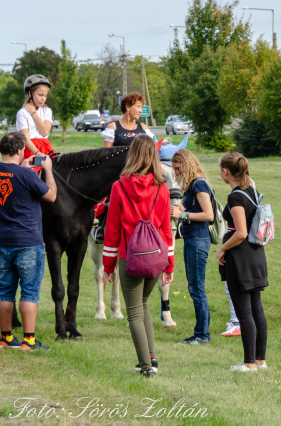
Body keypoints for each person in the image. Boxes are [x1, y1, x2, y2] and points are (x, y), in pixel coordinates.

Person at [103, 135, 174, 378]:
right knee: (142, 304)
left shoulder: (119, 187)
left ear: (132, 155)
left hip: (129, 257)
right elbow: (166, 230)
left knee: (133, 311)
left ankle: (146, 366)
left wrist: (108, 265)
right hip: (156, 257)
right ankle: (151, 356)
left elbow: (112, 230)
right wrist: (170, 264)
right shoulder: (162, 188)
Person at [0, 132, 57, 351]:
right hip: (28, 240)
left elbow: (11, 180)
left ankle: (5, 337)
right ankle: (29, 340)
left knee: (5, 289)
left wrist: (22, 167)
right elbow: (51, 195)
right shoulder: (27, 175)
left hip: (4, 240)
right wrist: (48, 170)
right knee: (30, 291)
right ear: (18, 150)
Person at [216, 152, 268, 373]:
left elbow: (240, 232)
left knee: (244, 312)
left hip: (241, 257)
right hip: (256, 254)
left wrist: (222, 248)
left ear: (226, 172)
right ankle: (260, 361)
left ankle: (248, 364)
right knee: (257, 310)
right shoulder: (253, 191)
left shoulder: (235, 197)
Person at [169, 149, 214, 345]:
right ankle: (200, 333)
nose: (176, 173)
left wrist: (183, 215)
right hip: (192, 239)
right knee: (195, 287)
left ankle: (202, 335)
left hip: (197, 240)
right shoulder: (193, 185)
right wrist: (184, 208)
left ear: (186, 165)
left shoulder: (199, 184)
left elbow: (208, 215)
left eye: (178, 168)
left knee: (197, 288)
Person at [17, 75, 55, 164]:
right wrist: (37, 153)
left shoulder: (47, 111)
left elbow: (45, 132)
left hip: (46, 147)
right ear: (30, 94)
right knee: (32, 174)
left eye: (45, 96)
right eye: (40, 95)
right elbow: (25, 138)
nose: (43, 99)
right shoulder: (22, 113)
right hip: (30, 149)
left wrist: (33, 113)